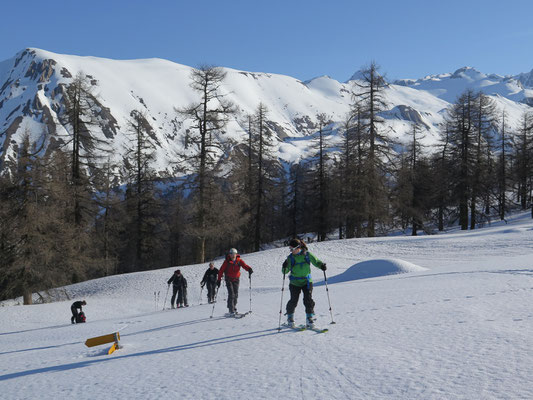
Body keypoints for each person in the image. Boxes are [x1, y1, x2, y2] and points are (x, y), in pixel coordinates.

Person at [282, 238, 326, 328]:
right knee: (293, 300)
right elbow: (285, 272)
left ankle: (309, 318)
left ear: (298, 248)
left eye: (292, 249)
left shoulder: (307, 255)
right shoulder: (290, 258)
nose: (291, 251)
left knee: (308, 300)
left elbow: (316, 261)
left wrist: (322, 265)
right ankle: (290, 317)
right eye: (290, 249)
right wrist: (284, 267)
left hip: (307, 281)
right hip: (294, 283)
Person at [217, 248, 253, 315]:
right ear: (229, 255)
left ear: (236, 254)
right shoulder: (226, 262)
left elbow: (244, 266)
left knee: (236, 294)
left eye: (234, 254)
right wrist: (219, 280)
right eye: (231, 254)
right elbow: (221, 271)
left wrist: (249, 269)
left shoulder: (239, 261)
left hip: (236, 279)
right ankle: (231, 310)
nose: (233, 255)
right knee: (231, 294)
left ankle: (234, 307)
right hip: (228, 279)